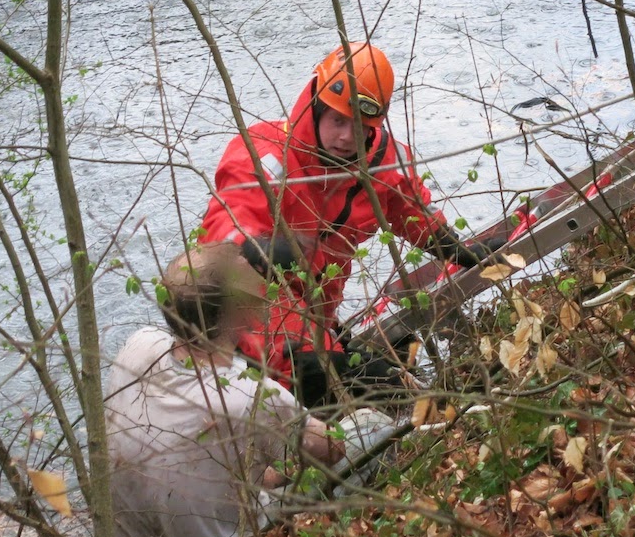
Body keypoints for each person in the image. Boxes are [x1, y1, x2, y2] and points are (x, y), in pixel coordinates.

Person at [199, 42, 505, 407]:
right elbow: (225, 224)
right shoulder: (265, 153)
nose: (346, 136)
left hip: (318, 308)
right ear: (316, 107)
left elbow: (412, 212)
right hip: (256, 300)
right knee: (322, 371)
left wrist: (454, 248)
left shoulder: (384, 161)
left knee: (370, 378)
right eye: (338, 121)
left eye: (359, 126)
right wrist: (253, 247)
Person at [106, 242, 345, 537]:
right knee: (366, 429)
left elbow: (184, 459)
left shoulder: (138, 345)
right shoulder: (251, 396)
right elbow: (332, 450)